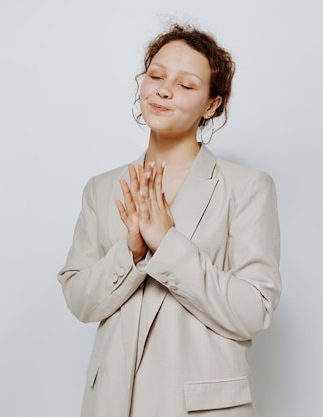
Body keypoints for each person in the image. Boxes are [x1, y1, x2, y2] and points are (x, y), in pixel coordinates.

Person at [58, 23, 281, 417]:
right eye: (156, 76)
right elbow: (80, 301)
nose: (162, 90)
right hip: (111, 405)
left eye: (186, 85)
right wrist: (130, 252)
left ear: (211, 105)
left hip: (199, 409)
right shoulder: (101, 188)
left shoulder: (246, 187)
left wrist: (169, 245)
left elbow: (254, 311)